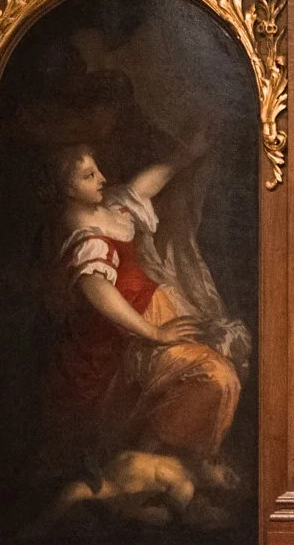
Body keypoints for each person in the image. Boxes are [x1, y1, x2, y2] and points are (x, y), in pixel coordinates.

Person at [39, 138, 251, 525]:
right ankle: (160, 474)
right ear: (66, 188)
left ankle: (173, 471)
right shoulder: (83, 238)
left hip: (157, 321)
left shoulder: (106, 208)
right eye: (88, 175)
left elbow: (140, 188)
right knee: (217, 378)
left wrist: (184, 153)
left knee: (222, 369)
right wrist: (154, 334)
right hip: (128, 342)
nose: (101, 178)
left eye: (97, 168)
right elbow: (100, 292)